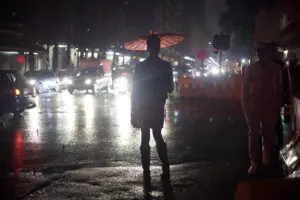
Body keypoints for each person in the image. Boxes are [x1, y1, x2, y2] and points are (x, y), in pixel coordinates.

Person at [131, 35, 174, 192]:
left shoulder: (140, 67)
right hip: (157, 105)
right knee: (157, 135)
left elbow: (134, 91)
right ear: (159, 47)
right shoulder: (166, 66)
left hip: (143, 106)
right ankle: (166, 167)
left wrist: (133, 111)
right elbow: (171, 89)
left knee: (144, 136)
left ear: (146, 48)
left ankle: (146, 171)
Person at [242, 43, 283, 176]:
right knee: (253, 134)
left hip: (270, 106)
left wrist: (278, 105)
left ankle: (266, 157)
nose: (260, 54)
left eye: (263, 51)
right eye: (258, 51)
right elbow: (244, 90)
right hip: (253, 106)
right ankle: (254, 162)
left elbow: (280, 88)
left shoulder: (276, 69)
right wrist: (245, 106)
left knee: (268, 134)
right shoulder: (251, 68)